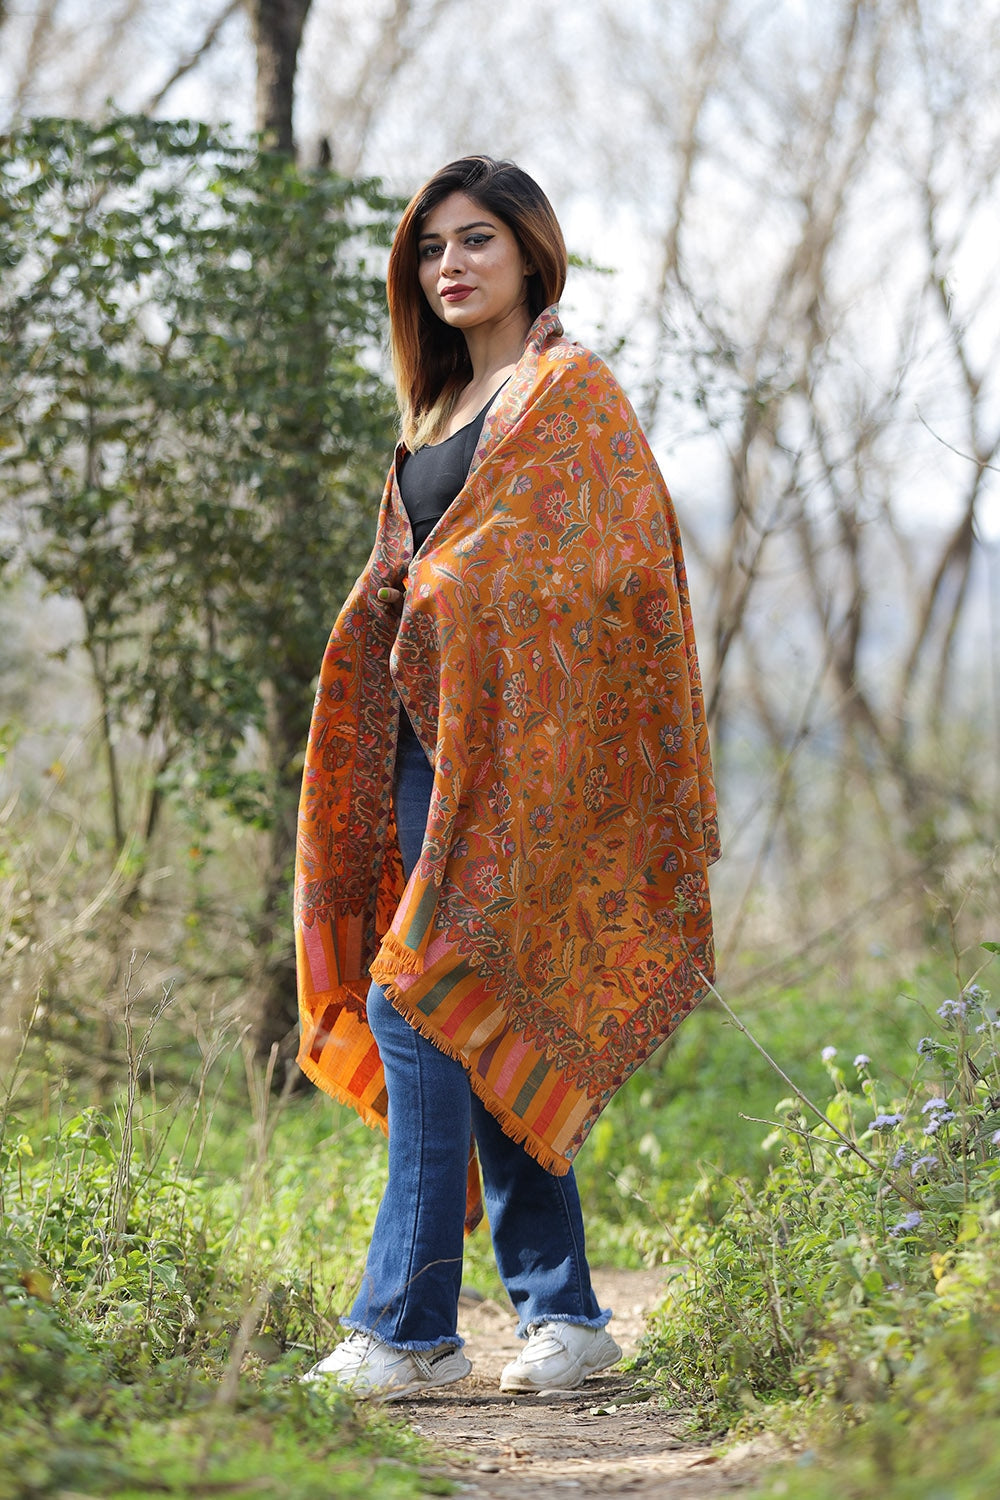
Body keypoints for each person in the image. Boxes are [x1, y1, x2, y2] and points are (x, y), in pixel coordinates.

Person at [294, 156, 720, 1400]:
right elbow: (417, 569)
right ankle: (566, 1315)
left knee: (414, 1000)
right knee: (482, 1007)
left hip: (534, 766)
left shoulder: (567, 391)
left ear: (531, 251)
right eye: (431, 248)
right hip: (420, 751)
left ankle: (408, 1329)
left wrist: (456, 591)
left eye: (476, 240)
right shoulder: (435, 410)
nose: (451, 266)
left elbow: (617, 575)